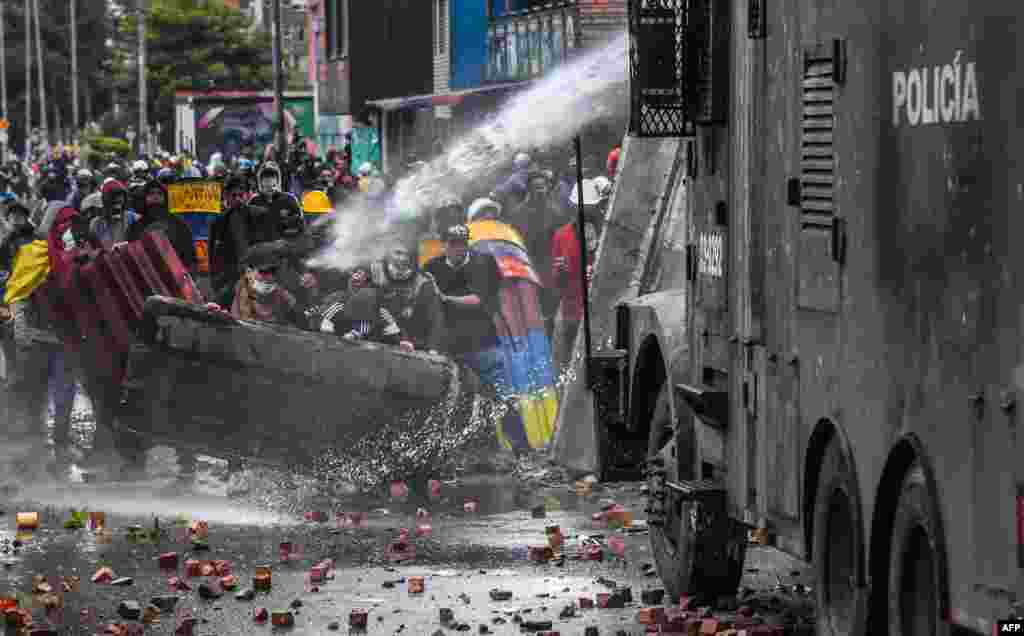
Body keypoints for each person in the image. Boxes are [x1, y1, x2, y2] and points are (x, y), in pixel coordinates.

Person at [424, 224, 504, 376]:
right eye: (453, 243)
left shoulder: (485, 262)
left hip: (483, 342)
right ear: (444, 245)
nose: (459, 248)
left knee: (497, 391)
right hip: (448, 344)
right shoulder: (431, 267)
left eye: (463, 243)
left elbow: (479, 300)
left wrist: (444, 298)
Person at [343, 242, 444, 353]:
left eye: (407, 255)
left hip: (404, 335)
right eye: (398, 253)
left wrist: (433, 348)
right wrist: (353, 286)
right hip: (371, 329)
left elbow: (435, 318)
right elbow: (354, 299)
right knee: (366, 294)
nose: (402, 259)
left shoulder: (423, 282)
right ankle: (356, 332)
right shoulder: (373, 269)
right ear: (389, 254)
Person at [550, 179, 605, 371]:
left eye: (589, 208)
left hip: (600, 309)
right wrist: (560, 270)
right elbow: (556, 281)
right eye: (581, 208)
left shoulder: (606, 233)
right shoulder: (561, 235)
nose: (584, 213)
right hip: (572, 310)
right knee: (571, 362)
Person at [125, 180, 199, 276]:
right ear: (144, 197)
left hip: (175, 276)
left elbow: (190, 255)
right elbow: (131, 256)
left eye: (159, 193)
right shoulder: (136, 226)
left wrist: (189, 278)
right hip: (147, 277)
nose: (155, 196)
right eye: (151, 193)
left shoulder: (178, 223)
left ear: (165, 197)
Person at [230, 240, 306, 326]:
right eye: (264, 272)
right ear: (249, 271)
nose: (271, 277)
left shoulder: (283, 295)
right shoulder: (242, 289)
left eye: (275, 271)